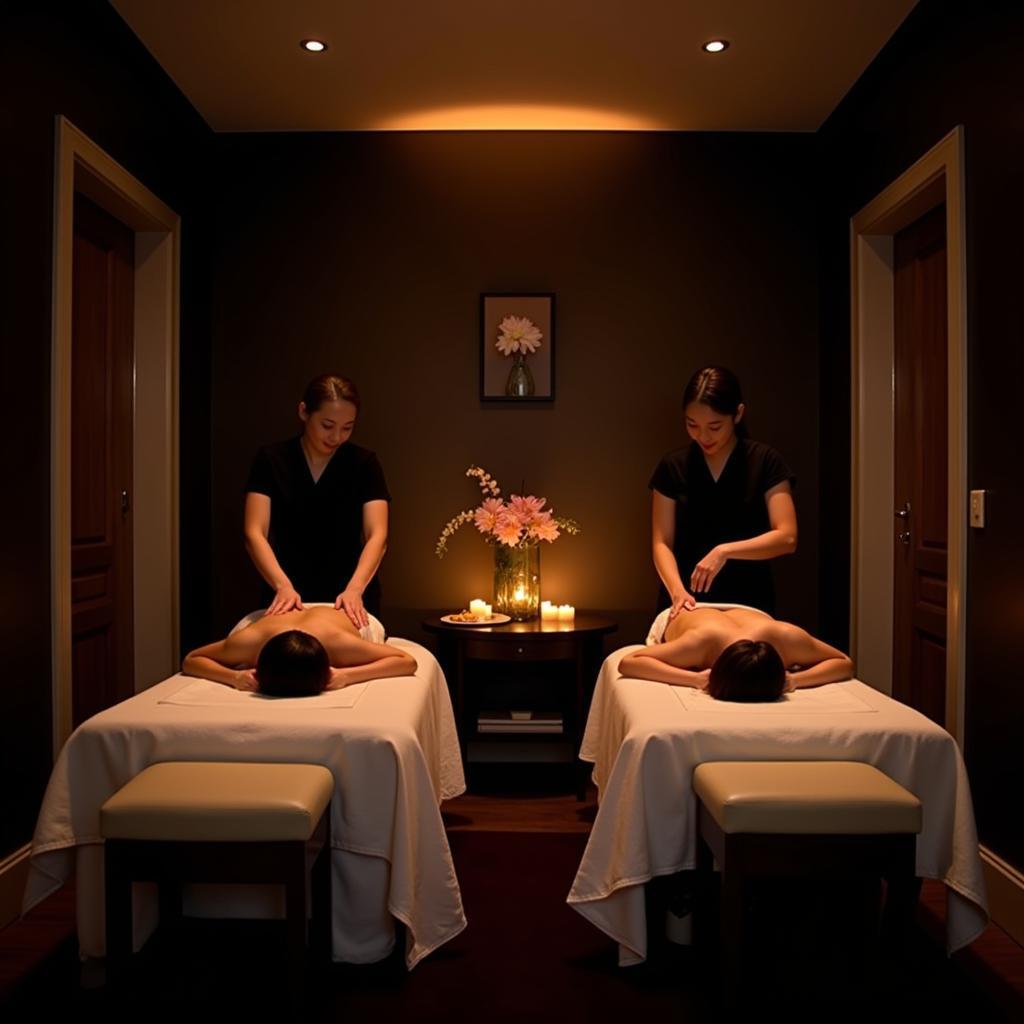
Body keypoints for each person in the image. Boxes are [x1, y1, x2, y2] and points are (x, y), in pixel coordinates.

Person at [650, 366, 798, 619]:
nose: (703, 436)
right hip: (687, 602)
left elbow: (787, 538)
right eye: (692, 425)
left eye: (715, 426)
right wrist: (677, 591)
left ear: (738, 414)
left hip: (749, 601)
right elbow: (661, 543)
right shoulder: (673, 466)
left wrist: (724, 551)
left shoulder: (765, 461)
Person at [244, 374, 390, 628]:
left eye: (347, 428)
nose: (336, 437)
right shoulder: (272, 460)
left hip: (348, 599)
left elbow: (378, 535)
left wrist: (355, 589)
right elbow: (254, 532)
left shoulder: (363, 463)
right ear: (304, 412)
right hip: (286, 596)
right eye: (327, 425)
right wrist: (282, 586)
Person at [619, 605, 852, 698]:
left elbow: (844, 662)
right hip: (685, 611)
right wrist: (694, 678)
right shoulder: (700, 644)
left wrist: (796, 680)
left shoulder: (786, 639)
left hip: (748, 609)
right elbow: (629, 661)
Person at [182, 606, 417, 694]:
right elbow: (192, 659)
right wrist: (233, 676)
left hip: (343, 614)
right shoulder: (249, 642)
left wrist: (349, 675)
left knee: (368, 626)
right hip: (273, 615)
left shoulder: (340, 644)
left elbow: (406, 661)